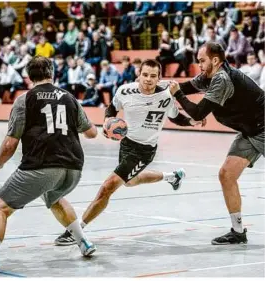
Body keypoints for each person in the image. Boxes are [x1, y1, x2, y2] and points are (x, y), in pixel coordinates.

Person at [54, 59, 206, 246]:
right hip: (126, 144)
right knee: (131, 181)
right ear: (138, 75)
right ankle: (173, 177)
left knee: (108, 187)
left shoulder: (166, 96)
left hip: (144, 150)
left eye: (153, 76)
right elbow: (112, 108)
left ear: (159, 78)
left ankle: (76, 231)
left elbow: (176, 118)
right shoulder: (125, 91)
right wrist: (108, 122)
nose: (148, 79)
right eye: (145, 75)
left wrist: (192, 122)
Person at [0, 56, 98, 276]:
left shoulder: (25, 99)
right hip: (74, 168)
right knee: (54, 197)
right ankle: (84, 242)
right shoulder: (69, 98)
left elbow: (11, 142)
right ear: (52, 73)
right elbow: (91, 132)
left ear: (28, 76)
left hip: (42, 166)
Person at [168, 42, 264, 245]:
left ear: (215, 60)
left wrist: (177, 94)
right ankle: (238, 232)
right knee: (226, 175)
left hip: (263, 128)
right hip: (249, 131)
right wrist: (157, 89)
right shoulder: (208, 76)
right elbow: (186, 87)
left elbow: (197, 112)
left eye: (202, 60)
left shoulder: (222, 79)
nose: (199, 64)